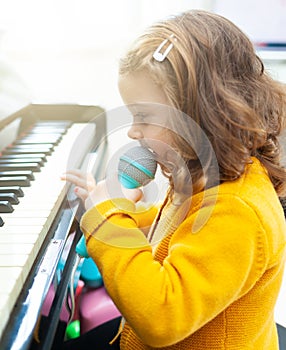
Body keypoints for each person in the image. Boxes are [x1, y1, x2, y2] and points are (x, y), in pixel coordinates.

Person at [61, 9, 286, 350]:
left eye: (145, 117)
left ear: (203, 113)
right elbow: (174, 235)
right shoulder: (205, 179)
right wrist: (117, 213)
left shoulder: (238, 211)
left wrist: (107, 219)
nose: (133, 131)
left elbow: (162, 317)